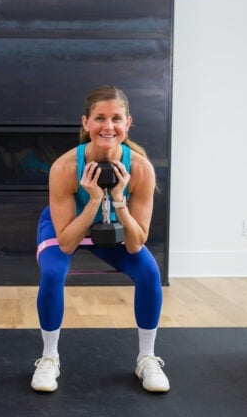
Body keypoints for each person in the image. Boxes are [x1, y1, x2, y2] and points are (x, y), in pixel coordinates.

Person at [31, 85, 169, 393]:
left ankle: (147, 358)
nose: (108, 126)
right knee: (53, 273)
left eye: (116, 118)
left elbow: (135, 244)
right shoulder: (65, 167)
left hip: (116, 223)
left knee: (149, 272)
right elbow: (66, 243)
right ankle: (49, 357)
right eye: (100, 118)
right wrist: (93, 200)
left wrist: (118, 200)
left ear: (128, 123)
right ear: (85, 123)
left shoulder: (141, 169)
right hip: (67, 226)